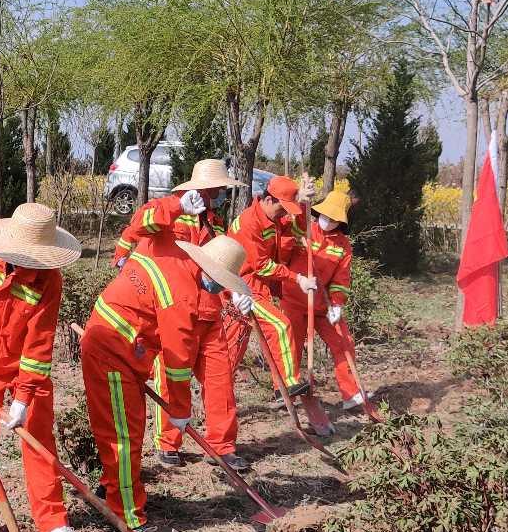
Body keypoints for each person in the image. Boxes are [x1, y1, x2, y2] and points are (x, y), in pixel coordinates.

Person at [108, 159, 246, 473]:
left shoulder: (215, 224)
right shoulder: (169, 212)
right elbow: (138, 224)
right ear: (206, 188)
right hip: (172, 311)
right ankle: (169, 443)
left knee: (220, 381)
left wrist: (235, 292)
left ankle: (222, 446)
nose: (222, 194)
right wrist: (177, 206)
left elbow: (217, 268)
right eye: (219, 188)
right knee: (172, 375)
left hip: (209, 312)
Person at [79, 233, 219, 532]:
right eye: (220, 283)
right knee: (123, 438)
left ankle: (112, 488)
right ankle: (128, 521)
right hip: (113, 353)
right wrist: (179, 410)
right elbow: (177, 361)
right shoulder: (182, 296)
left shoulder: (165, 249)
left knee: (124, 430)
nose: (218, 291)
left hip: (121, 347)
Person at [0, 202, 85, 532]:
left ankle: (52, 521)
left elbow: (40, 340)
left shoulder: (49, 279)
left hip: (25, 370)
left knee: (39, 438)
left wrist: (23, 397)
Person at [222, 174, 317, 402]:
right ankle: (285, 385)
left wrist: (303, 204)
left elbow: (300, 230)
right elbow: (261, 266)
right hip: (242, 289)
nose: (284, 214)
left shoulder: (274, 218)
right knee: (280, 326)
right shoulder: (249, 223)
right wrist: (298, 279)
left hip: (257, 287)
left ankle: (218, 395)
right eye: (282, 208)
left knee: (233, 349)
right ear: (268, 200)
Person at [279, 189, 365, 408]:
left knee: (343, 342)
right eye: (326, 215)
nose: (328, 221)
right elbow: (283, 245)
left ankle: (351, 394)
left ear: (341, 221)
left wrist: (337, 304)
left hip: (322, 305)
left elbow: (341, 278)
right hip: (294, 300)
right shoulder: (305, 230)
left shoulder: (343, 246)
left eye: (334, 218)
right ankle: (285, 392)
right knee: (291, 345)